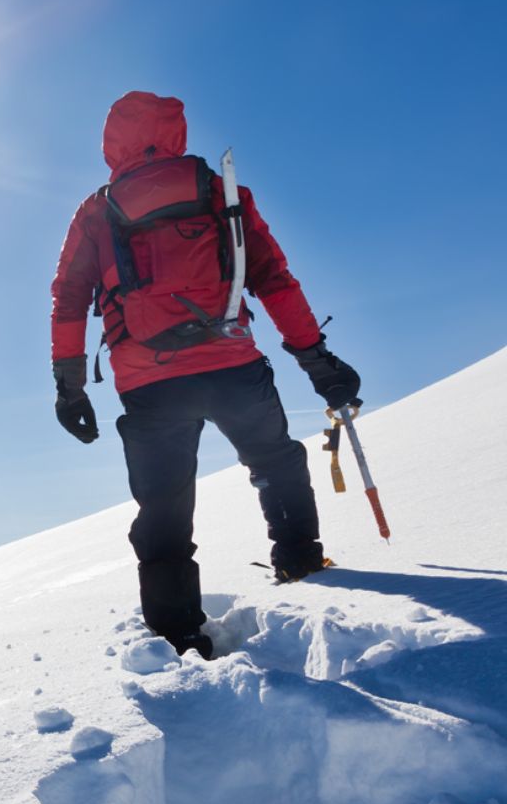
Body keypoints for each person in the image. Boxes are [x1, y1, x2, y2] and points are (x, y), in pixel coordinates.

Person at [48, 91, 361, 659]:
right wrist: (315, 357)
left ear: (110, 142)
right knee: (274, 462)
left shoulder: (97, 210)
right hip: (231, 362)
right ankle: (299, 562)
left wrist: (68, 385)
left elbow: (68, 300)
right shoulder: (221, 191)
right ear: (176, 131)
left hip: (148, 381)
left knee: (164, 504)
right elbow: (273, 278)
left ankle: (177, 638)